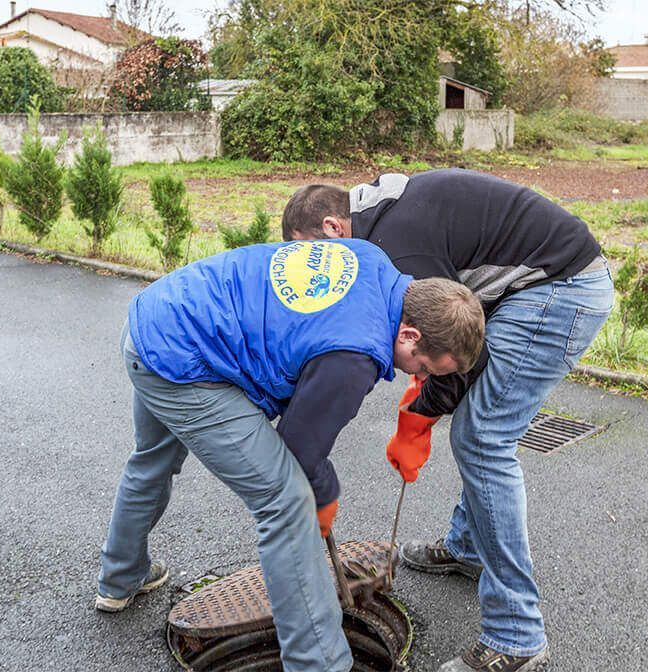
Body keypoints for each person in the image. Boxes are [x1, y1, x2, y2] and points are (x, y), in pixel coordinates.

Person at [95, 238, 484, 672]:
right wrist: (323, 493)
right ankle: (320, 663)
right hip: (184, 362)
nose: (420, 377)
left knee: (154, 459)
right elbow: (299, 447)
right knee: (287, 502)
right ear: (410, 335)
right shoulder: (355, 354)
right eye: (425, 368)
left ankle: (121, 575)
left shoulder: (373, 260)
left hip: (160, 317)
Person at [282, 169, 614, 672]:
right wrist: (422, 408)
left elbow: (457, 354)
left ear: (332, 227)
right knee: (477, 427)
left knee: (482, 439)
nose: (314, 273)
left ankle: (517, 634)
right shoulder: (375, 219)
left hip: (559, 289)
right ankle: (468, 547)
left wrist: (418, 418)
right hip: (535, 284)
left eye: (310, 255)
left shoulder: (396, 248)